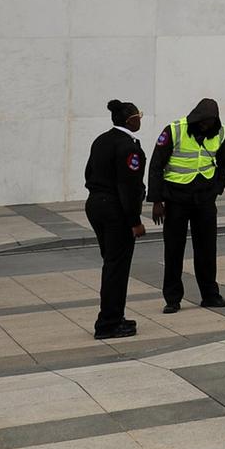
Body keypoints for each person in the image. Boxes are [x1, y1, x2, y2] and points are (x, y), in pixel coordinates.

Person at [148, 98, 225, 314]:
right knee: (174, 250)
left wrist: (217, 188)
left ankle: (210, 295)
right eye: (203, 122)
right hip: (176, 199)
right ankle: (173, 299)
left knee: (206, 249)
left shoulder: (219, 133)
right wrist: (157, 200)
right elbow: (156, 164)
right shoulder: (174, 130)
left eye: (210, 122)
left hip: (204, 199)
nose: (206, 126)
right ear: (196, 118)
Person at [84, 99, 147, 340]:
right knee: (116, 268)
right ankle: (108, 323)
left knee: (111, 264)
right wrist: (135, 221)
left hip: (95, 204)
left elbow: (88, 173)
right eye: (139, 116)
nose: (140, 119)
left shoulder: (101, 140)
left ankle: (114, 316)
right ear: (131, 120)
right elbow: (128, 187)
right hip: (115, 211)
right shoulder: (128, 146)